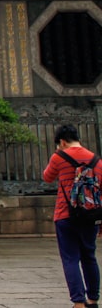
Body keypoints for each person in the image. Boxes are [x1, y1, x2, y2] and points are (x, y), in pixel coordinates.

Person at [43, 124, 100, 308]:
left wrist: (58, 156)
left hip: (65, 215)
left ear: (62, 142)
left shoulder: (58, 157)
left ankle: (78, 302)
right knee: (89, 256)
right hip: (91, 216)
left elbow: (47, 177)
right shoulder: (96, 160)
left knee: (70, 258)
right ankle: (93, 299)